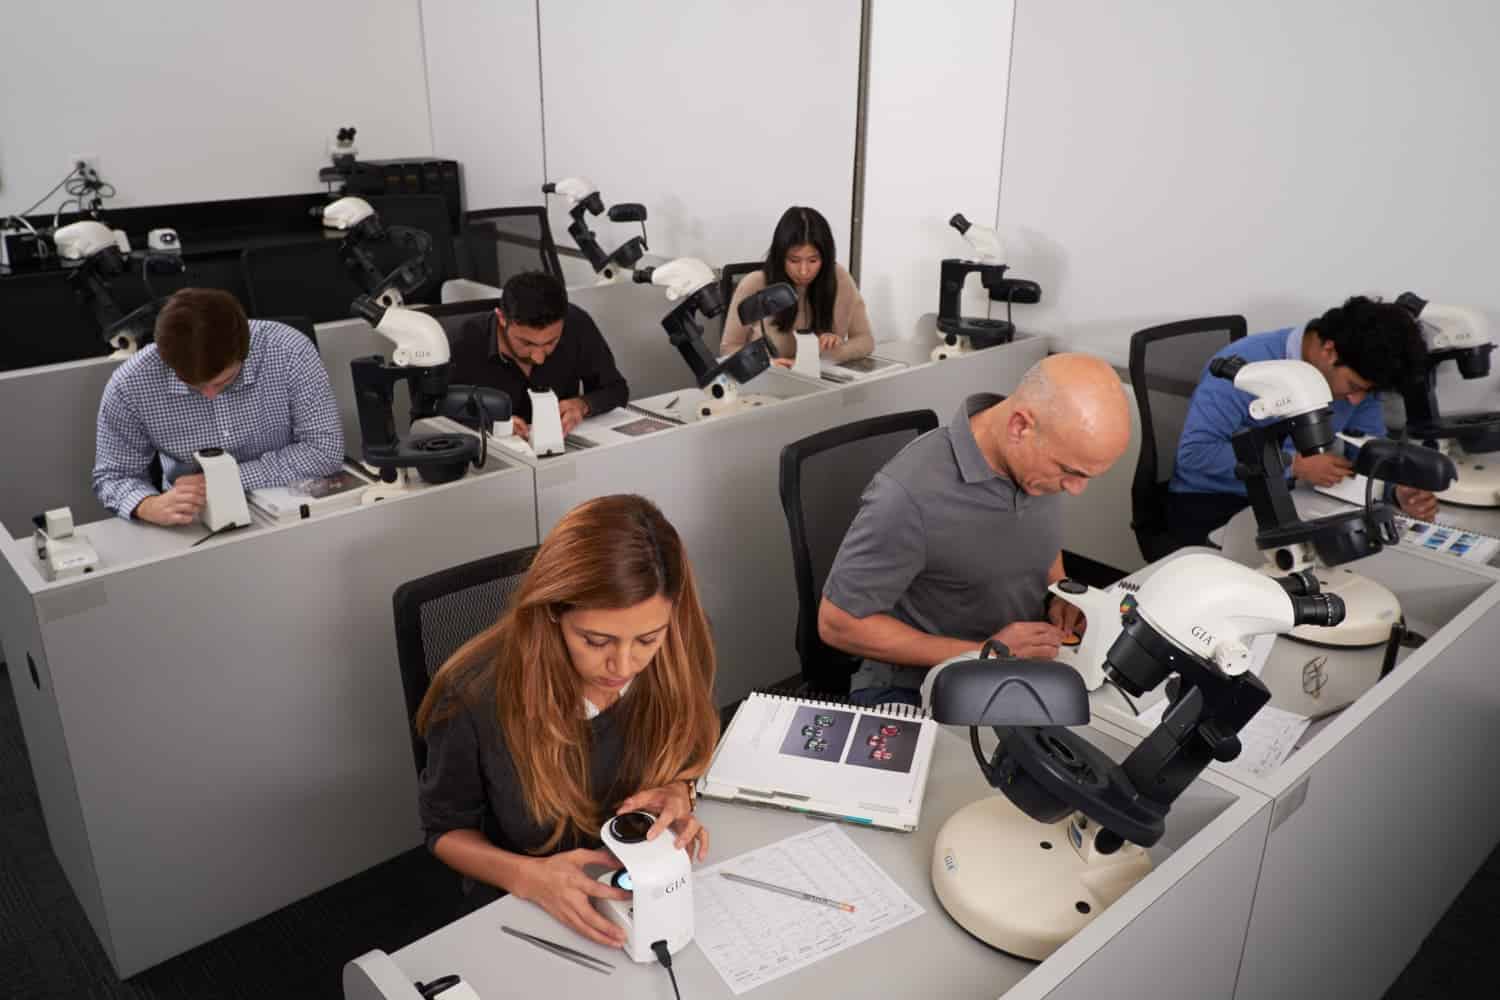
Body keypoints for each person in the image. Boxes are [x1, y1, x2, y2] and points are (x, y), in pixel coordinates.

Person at [416, 494, 719, 948]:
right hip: (529, 903)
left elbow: (690, 747)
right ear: (553, 611)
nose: (624, 664)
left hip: (636, 885)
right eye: (596, 641)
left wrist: (680, 790)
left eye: (647, 639)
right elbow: (444, 831)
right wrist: (529, 876)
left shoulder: (675, 650)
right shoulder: (473, 697)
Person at [818, 354, 1132, 705]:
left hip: (1018, 663)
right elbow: (838, 623)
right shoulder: (907, 495)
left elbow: (1035, 533)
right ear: (1019, 427)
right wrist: (987, 652)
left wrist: (1056, 591)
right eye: (1071, 472)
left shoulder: (1039, 466)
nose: (1076, 489)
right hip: (919, 682)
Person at [1168, 296, 1438, 546]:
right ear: (1330, 350)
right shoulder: (1245, 366)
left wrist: (1394, 490)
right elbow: (1194, 454)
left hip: (1296, 498)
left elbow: (1367, 449)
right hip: (1213, 502)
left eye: (1367, 391)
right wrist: (1294, 465)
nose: (1356, 401)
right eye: (1354, 386)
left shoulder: (1361, 376)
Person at [91, 288, 343, 525]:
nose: (210, 395)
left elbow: (324, 450)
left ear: (244, 352)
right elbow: (113, 476)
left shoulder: (289, 351)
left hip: (292, 504)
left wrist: (223, 480)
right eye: (193, 385)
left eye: (223, 381)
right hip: (194, 518)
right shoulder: (131, 384)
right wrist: (147, 505)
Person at [448, 270, 629, 439]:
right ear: (502, 318)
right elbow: (432, 414)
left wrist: (583, 405)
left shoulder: (576, 324)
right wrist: (488, 425)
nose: (538, 357)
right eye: (527, 343)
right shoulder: (460, 342)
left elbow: (616, 389)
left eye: (551, 342)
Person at [721, 206, 875, 368]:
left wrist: (833, 351)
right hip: (770, 382)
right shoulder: (754, 284)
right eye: (794, 261)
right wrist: (766, 364)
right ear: (780, 256)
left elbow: (865, 340)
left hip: (821, 381)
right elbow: (728, 349)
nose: (803, 271)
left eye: (813, 261)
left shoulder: (839, 278)